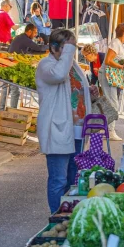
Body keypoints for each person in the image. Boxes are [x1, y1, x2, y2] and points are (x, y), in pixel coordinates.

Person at [36, 29, 93, 213]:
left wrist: (87, 91)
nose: (72, 51)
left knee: (72, 177)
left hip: (76, 129)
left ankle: (69, 214)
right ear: (54, 48)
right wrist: (68, 50)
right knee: (58, 179)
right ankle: (56, 216)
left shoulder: (71, 63)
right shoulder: (45, 65)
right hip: (57, 129)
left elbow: (73, 87)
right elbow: (59, 75)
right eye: (69, 47)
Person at [98, 23, 124, 141]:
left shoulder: (119, 44)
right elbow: (108, 60)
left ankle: (106, 128)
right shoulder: (115, 43)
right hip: (108, 76)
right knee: (113, 102)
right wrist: (121, 66)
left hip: (111, 76)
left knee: (112, 101)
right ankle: (110, 131)